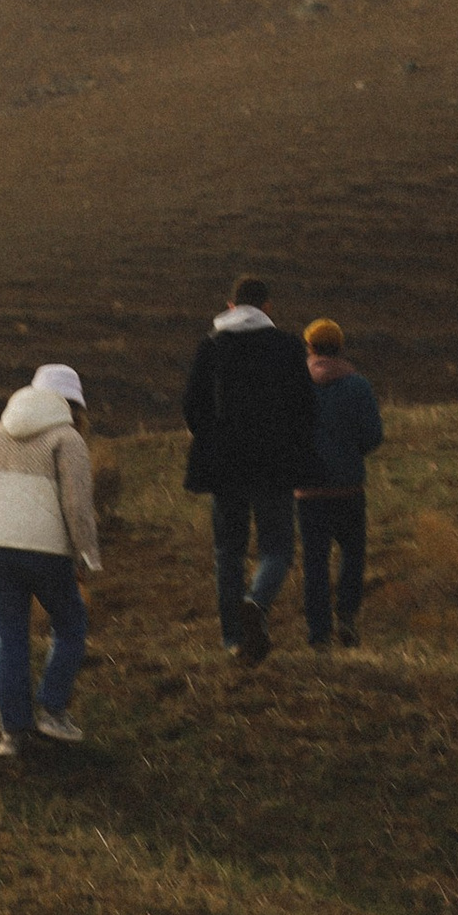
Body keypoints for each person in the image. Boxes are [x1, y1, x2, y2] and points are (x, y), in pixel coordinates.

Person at [0, 364, 101, 758]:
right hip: (45, 550)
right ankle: (52, 710)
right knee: (71, 625)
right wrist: (86, 557)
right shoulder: (67, 438)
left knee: (8, 636)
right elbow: (78, 507)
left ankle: (13, 734)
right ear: (74, 405)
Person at [182, 273, 315, 661]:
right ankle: (256, 603)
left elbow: (192, 406)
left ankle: (233, 640)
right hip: (274, 464)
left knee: (229, 552)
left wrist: (208, 437)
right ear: (267, 307)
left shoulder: (211, 348)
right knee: (278, 548)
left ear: (230, 306)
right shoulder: (289, 347)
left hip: (225, 466)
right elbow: (304, 406)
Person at [296, 318, 385, 650]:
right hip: (348, 487)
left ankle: (318, 635)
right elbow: (373, 436)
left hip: (308, 490)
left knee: (315, 562)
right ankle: (346, 615)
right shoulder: (358, 385)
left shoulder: (295, 386)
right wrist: (351, 452)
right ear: (340, 347)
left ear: (310, 347)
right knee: (353, 554)